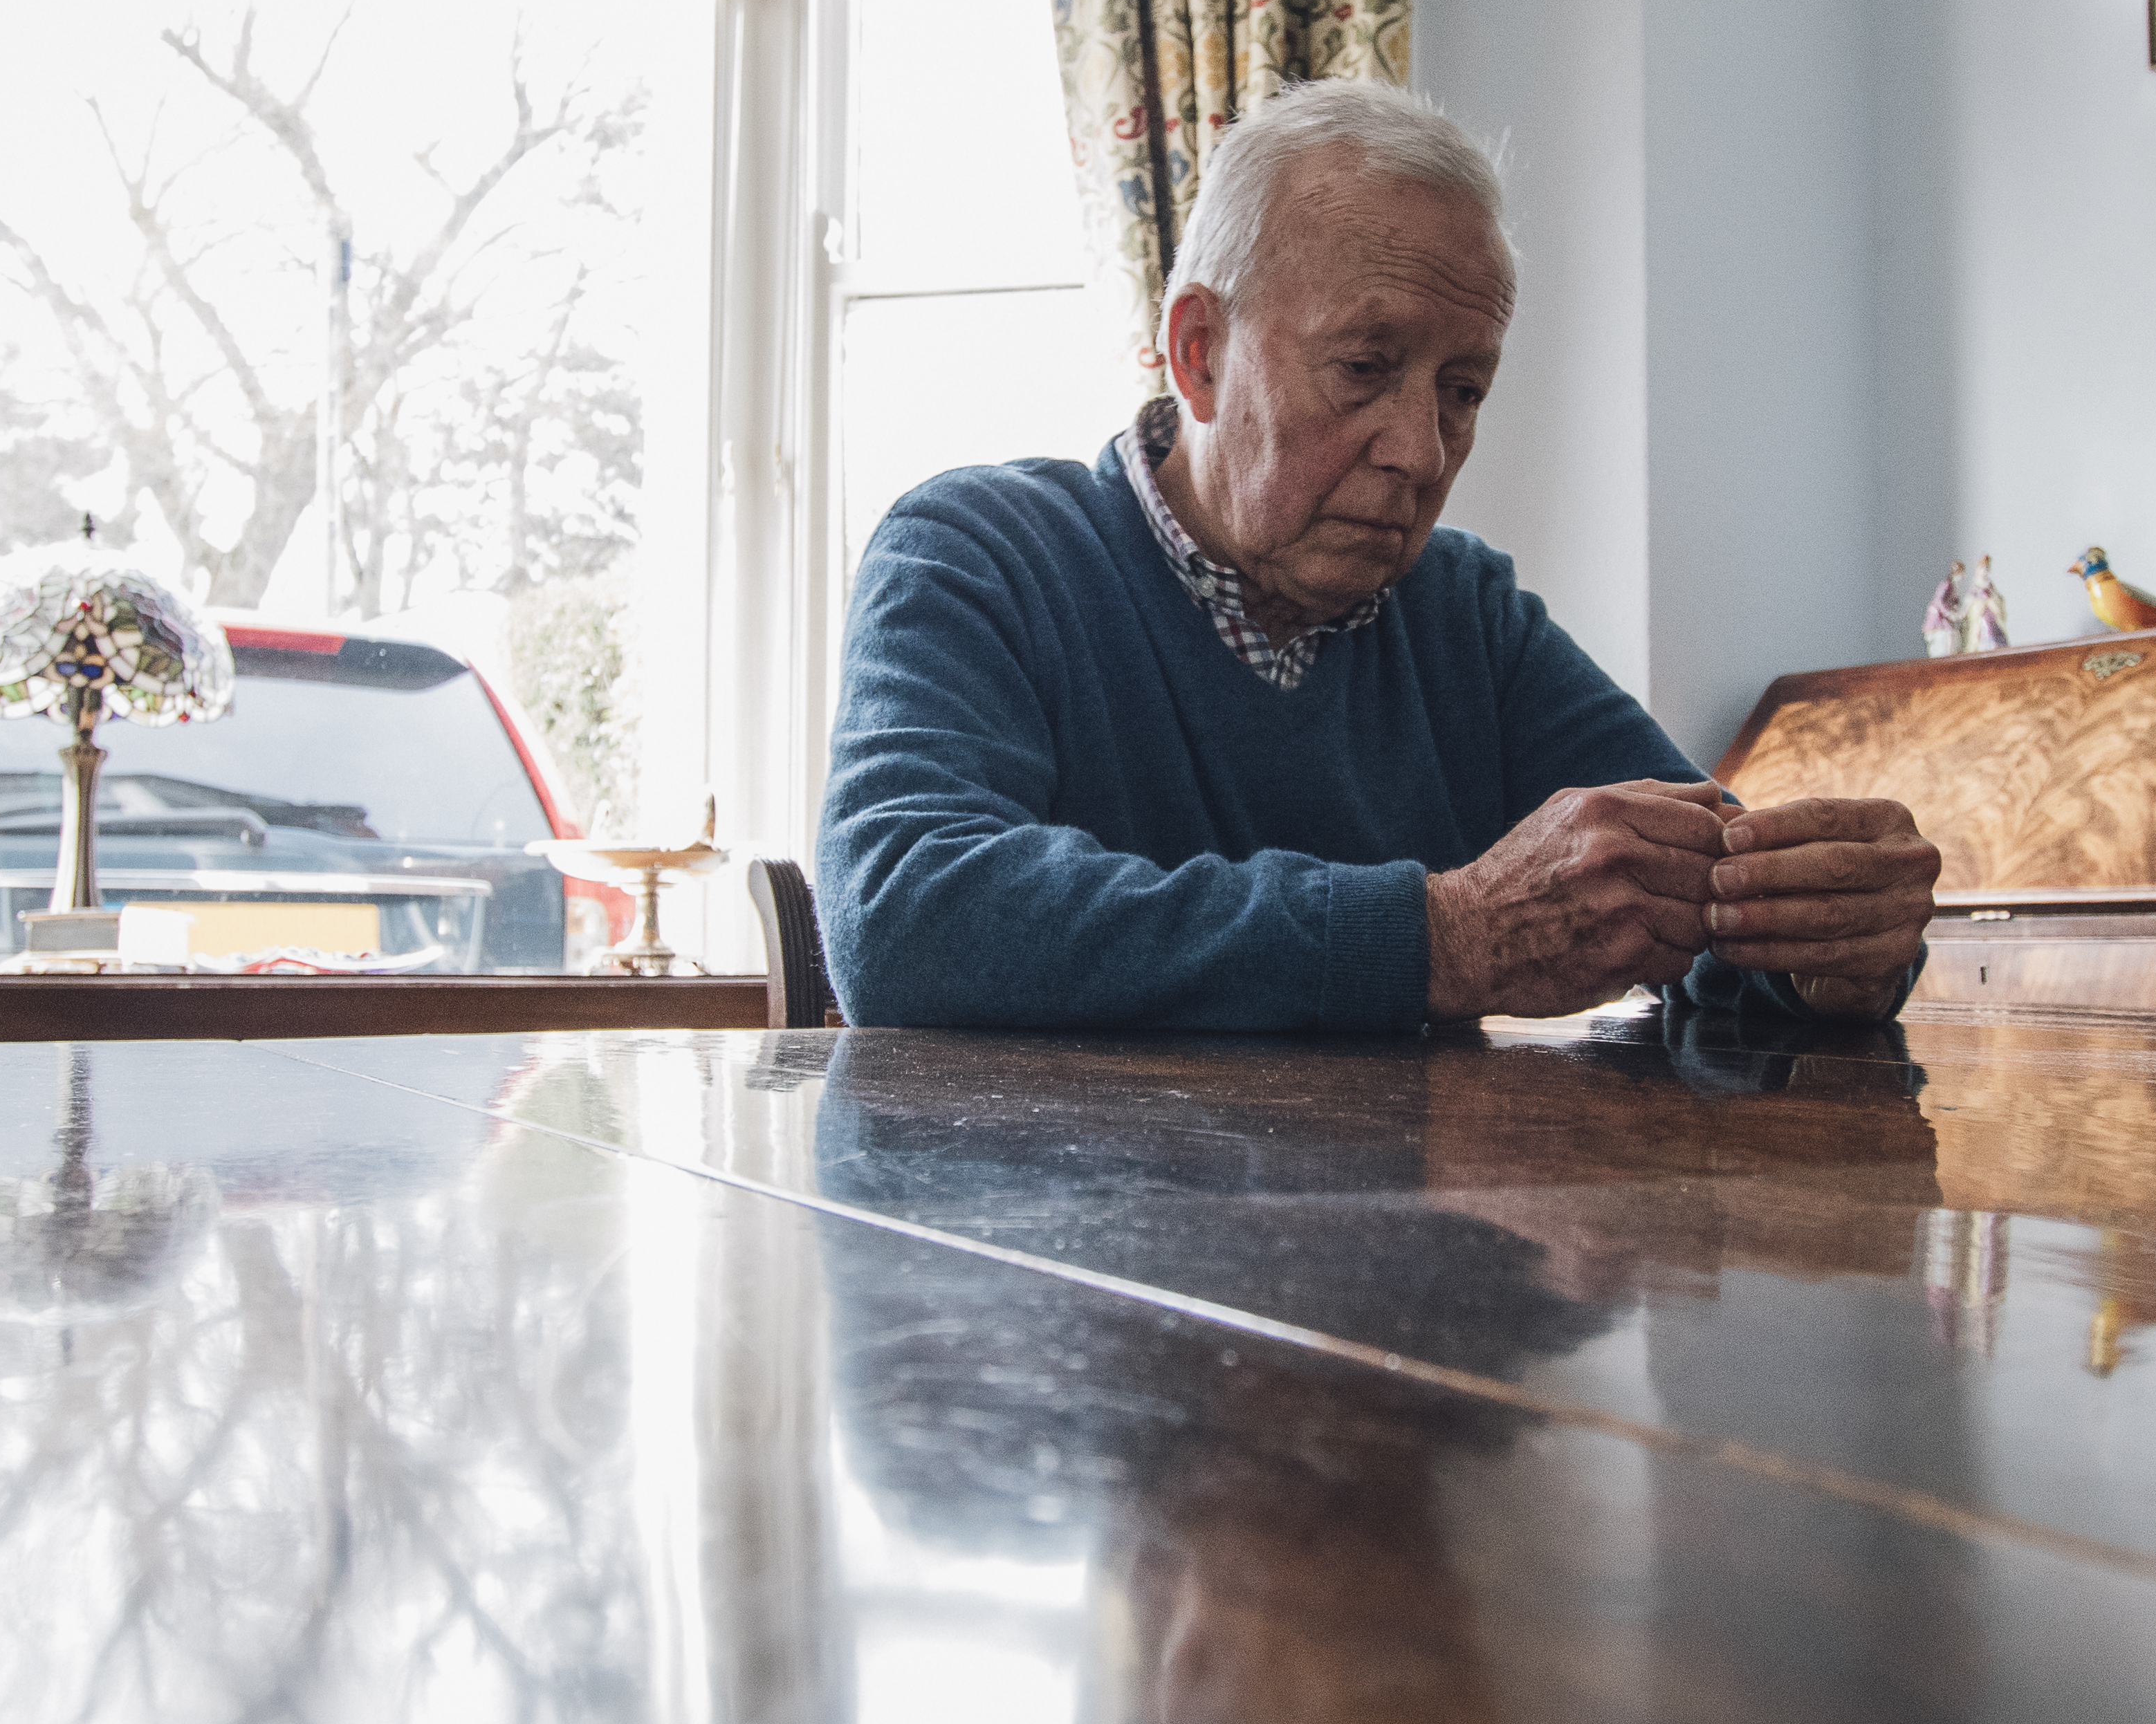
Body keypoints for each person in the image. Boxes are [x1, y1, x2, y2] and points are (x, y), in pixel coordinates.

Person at [818, 78, 1940, 1030]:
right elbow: (905, 919)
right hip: (1058, 1266)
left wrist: (1828, 949)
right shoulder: (977, 552)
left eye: (1463, 391)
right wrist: (1439, 937)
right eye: (1363, 366)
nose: (1420, 451)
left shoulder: (1466, 616)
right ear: (1198, 353)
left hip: (1399, 1269)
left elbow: (1693, 911)